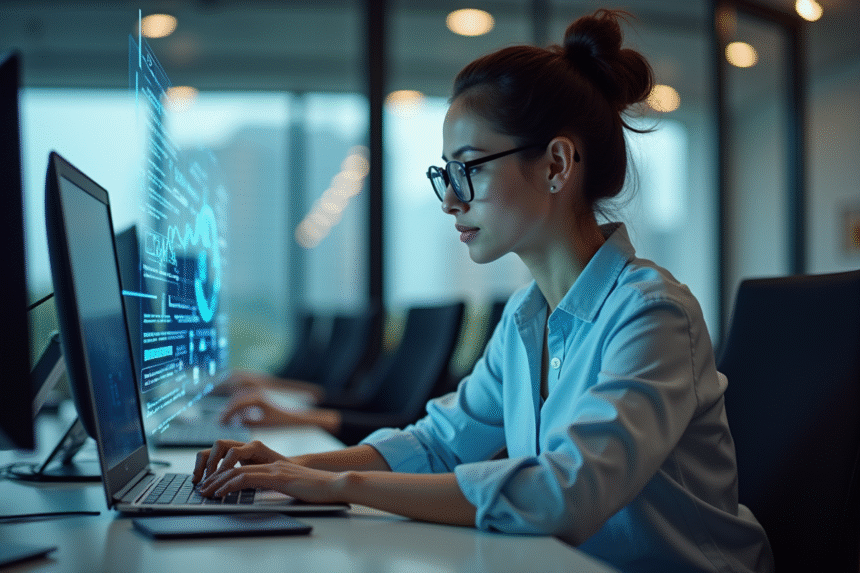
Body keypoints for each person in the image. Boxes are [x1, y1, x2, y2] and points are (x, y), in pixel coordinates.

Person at [192, 9, 774, 572]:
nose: (451, 198)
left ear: (556, 165)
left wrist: (332, 484)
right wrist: (293, 466)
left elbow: (563, 495)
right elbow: (441, 443)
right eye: (446, 172)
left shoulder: (652, 315)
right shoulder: (528, 314)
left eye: (469, 167)